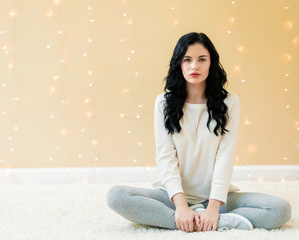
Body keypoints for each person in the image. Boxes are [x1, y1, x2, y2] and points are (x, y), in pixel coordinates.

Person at [107, 32, 292, 232]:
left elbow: (225, 157)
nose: (194, 66)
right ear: (179, 64)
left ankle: (203, 221)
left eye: (201, 59)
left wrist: (213, 207)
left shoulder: (229, 102)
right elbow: (166, 157)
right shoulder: (163, 103)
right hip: (173, 198)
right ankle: (192, 221)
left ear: (211, 63)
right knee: (116, 195)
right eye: (187, 60)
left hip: (219, 199)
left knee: (280, 209)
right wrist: (181, 206)